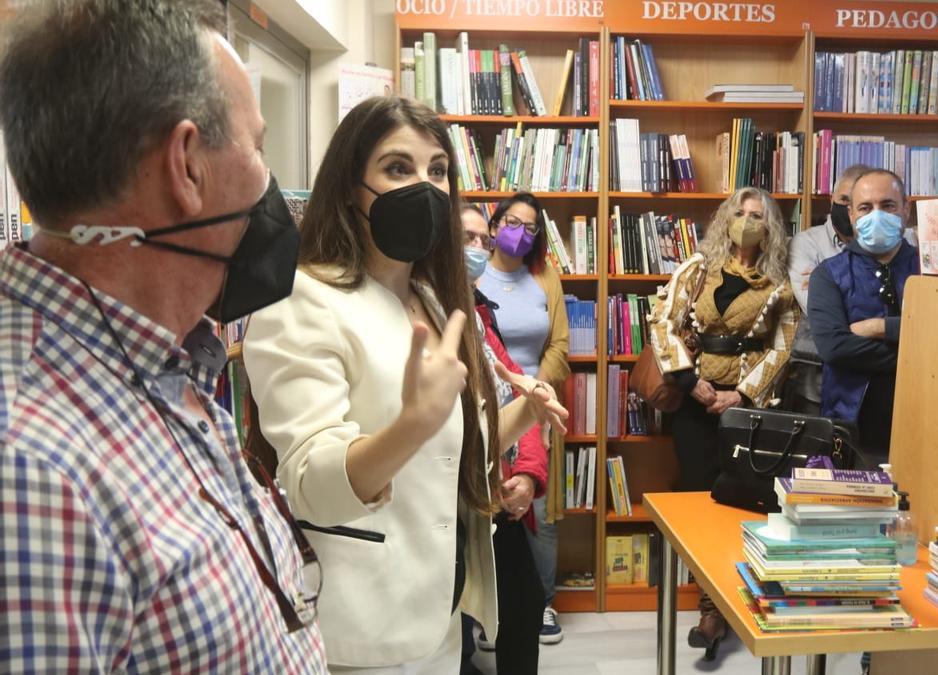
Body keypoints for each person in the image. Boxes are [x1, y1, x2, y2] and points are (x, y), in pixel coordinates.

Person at [0, 1, 325, 671]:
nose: (272, 185)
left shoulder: (165, 356)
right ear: (187, 165)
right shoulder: (31, 474)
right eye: (258, 147)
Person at [241, 96, 567, 672]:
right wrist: (412, 423)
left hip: (441, 607)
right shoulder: (302, 300)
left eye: (437, 170)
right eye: (398, 168)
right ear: (349, 187)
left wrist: (523, 416)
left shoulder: (434, 298)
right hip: (366, 627)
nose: (425, 186)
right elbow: (311, 480)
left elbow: (453, 444)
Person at [647, 186, 799, 658]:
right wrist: (689, 381)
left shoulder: (778, 285)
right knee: (697, 501)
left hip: (749, 413)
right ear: (726, 218)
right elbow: (663, 322)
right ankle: (709, 610)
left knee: (741, 503)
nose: (748, 221)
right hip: (694, 404)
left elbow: (782, 346)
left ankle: (736, 603)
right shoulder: (697, 268)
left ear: (769, 226)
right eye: (740, 212)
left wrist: (743, 392)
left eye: (757, 215)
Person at [476, 192, 570, 645]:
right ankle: (490, 607)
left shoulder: (544, 276)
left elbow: (560, 345)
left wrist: (536, 390)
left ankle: (543, 602)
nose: (518, 232)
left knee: (539, 509)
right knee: (493, 506)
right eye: (511, 221)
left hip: (539, 404)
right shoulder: (473, 270)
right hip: (489, 404)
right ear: (494, 226)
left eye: (529, 227)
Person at [460, 204, 548, 674]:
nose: (475, 249)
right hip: (458, 495)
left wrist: (530, 477)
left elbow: (518, 393)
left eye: (480, 241)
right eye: (465, 238)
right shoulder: (426, 312)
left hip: (499, 486)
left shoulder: (479, 315)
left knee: (525, 602)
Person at [809, 169, 920, 470]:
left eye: (888, 205)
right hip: (853, 430)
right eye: (866, 207)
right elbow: (835, 348)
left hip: (928, 423)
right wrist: (918, 350)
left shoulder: (934, 269)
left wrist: (879, 327)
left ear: (906, 210)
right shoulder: (828, 274)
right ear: (851, 214)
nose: (877, 214)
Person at [782, 164, 871, 414]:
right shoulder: (806, 243)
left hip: (871, 380)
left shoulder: (882, 247)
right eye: (844, 199)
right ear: (832, 198)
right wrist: (874, 321)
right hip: (816, 383)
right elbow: (817, 309)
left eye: (856, 202)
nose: (849, 209)